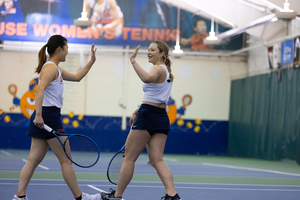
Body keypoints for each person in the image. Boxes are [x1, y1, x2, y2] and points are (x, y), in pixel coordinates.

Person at [12, 35, 100, 200]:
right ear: (59, 49)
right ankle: (80, 197)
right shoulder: (51, 68)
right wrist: (38, 115)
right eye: (66, 49)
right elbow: (40, 90)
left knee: (33, 159)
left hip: (46, 115)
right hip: (48, 116)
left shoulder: (56, 69)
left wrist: (92, 61)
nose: (67, 52)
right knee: (66, 160)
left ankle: (20, 196)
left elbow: (77, 77)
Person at [101, 41, 181, 200]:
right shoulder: (166, 72)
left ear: (162, 54)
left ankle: (117, 196)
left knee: (129, 158)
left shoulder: (157, 68)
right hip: (160, 117)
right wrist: (137, 110)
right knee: (157, 160)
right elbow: (158, 99)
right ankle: (172, 195)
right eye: (148, 50)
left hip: (148, 117)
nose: (149, 52)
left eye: (153, 50)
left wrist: (133, 61)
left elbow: (146, 78)